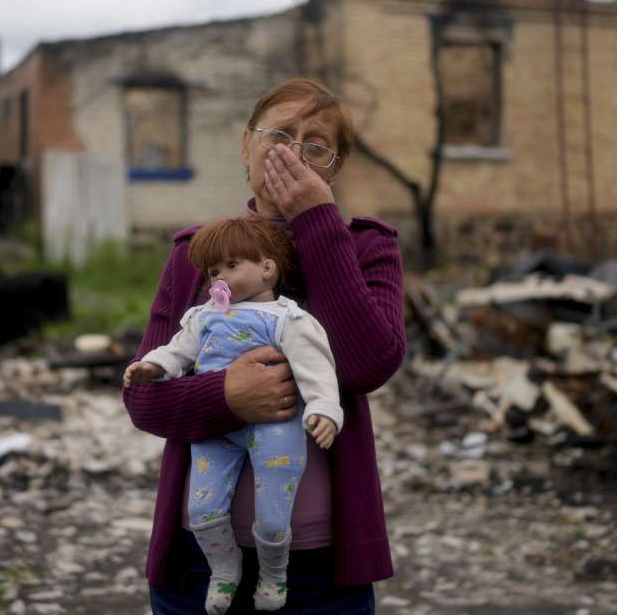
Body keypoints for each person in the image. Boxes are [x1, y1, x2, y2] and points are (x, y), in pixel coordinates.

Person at [123, 77, 406, 614]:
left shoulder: (369, 247)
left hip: (320, 569)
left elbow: (369, 364)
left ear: (335, 169)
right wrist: (227, 397)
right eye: (279, 134)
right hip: (197, 564)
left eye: (316, 145)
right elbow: (144, 398)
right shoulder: (196, 253)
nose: (293, 153)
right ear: (245, 147)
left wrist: (316, 222)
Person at [124, 216, 343, 613]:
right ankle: (225, 571)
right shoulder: (203, 317)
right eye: (213, 271)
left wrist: (325, 410)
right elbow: (177, 351)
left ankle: (274, 574)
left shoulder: (288, 319)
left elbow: (316, 368)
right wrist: (151, 366)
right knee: (203, 508)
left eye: (231, 265)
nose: (218, 279)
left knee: (275, 515)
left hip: (276, 425)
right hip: (217, 426)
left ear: (267, 267)